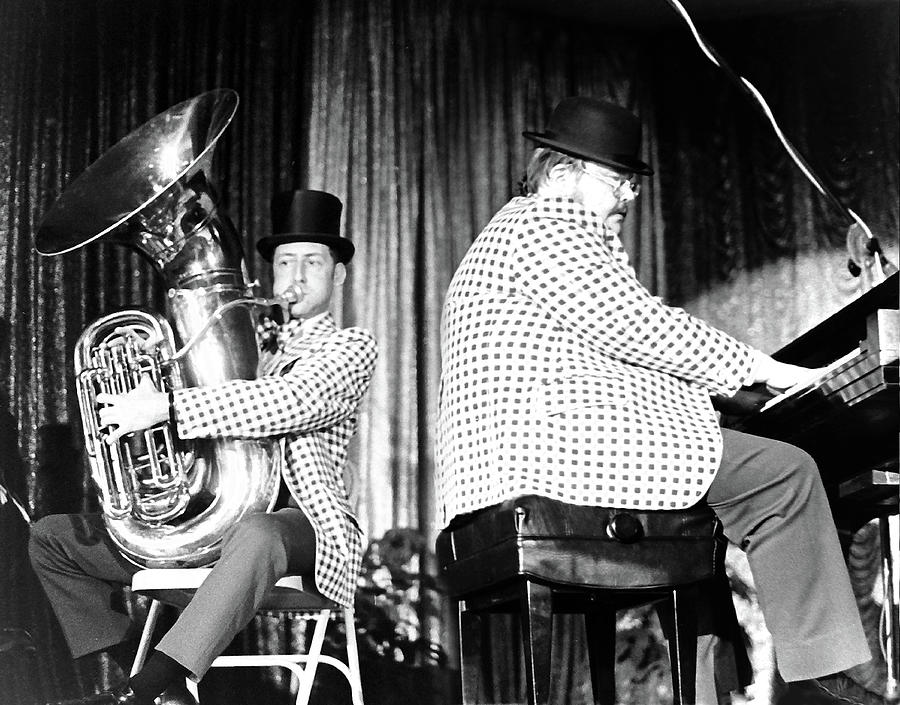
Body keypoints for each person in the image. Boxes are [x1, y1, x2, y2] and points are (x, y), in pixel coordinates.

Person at [435, 97, 871, 703]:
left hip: (510, 471)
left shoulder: (512, 230)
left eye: (632, 184)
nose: (629, 198)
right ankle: (828, 679)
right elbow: (640, 327)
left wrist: (731, 396)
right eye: (619, 181)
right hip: (558, 461)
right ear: (563, 175)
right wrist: (760, 369)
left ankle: (729, 686)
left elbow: (610, 347)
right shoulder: (549, 225)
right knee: (786, 473)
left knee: (721, 508)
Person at [29, 189, 377, 705]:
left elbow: (291, 400)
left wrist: (167, 407)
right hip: (210, 517)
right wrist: (154, 375)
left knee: (261, 533)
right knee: (52, 540)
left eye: (313, 263)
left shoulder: (350, 346)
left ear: (339, 274)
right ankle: (165, 687)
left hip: (301, 524)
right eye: (285, 262)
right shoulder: (233, 339)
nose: (296, 277)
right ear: (270, 271)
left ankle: (136, 695)